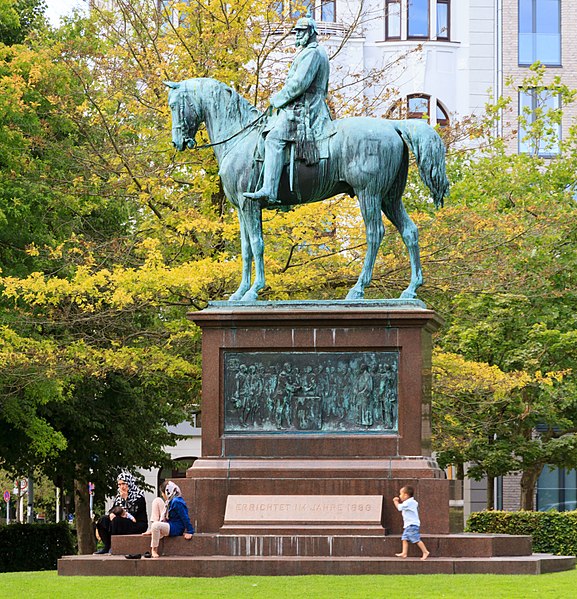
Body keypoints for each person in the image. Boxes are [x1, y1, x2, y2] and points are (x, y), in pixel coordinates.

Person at [243, 13, 332, 205]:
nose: (297, 35)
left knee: (274, 138)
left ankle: (270, 190)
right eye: (296, 32)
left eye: (301, 32)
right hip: (304, 105)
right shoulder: (311, 52)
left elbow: (299, 84)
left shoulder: (313, 53)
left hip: (306, 109)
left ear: (310, 33)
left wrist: (276, 100)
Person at [94, 471, 148, 554]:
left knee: (117, 521)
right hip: (121, 523)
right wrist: (111, 514)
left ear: (129, 483)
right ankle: (107, 546)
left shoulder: (139, 496)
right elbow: (113, 509)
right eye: (119, 484)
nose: (121, 487)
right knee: (103, 520)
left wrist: (126, 499)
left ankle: (115, 546)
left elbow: (133, 513)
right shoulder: (119, 496)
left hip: (136, 523)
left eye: (123, 484)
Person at [149, 480, 194, 558]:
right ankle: (154, 531)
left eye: (163, 493)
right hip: (170, 521)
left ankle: (154, 549)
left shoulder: (177, 502)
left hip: (175, 527)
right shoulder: (171, 500)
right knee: (157, 501)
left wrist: (190, 531)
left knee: (155, 526)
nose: (163, 495)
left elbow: (185, 516)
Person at [393, 485, 430, 560]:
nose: (399, 496)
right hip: (409, 525)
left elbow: (399, 508)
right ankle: (404, 553)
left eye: (401, 494)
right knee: (404, 538)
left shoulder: (409, 502)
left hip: (412, 525)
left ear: (406, 495)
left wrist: (395, 501)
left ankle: (425, 551)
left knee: (415, 539)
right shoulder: (411, 502)